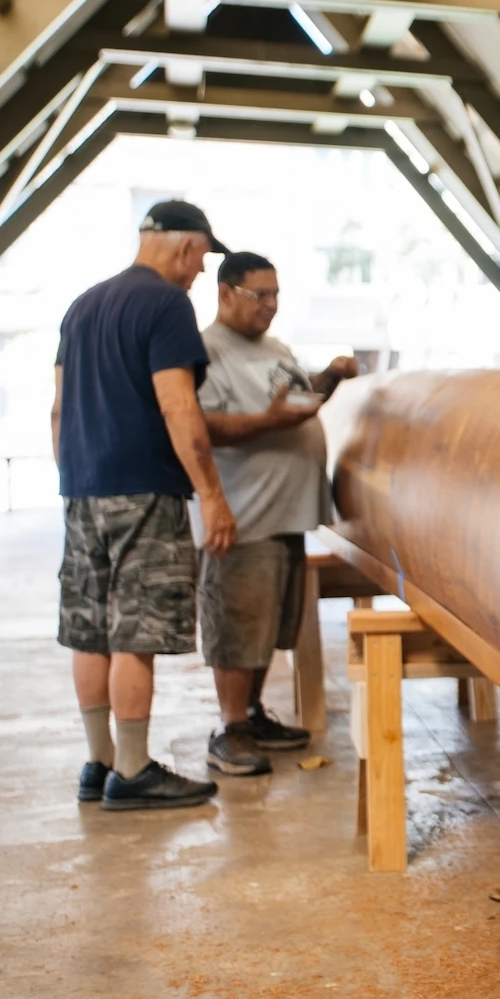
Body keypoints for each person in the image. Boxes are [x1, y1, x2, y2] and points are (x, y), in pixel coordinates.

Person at [52, 200, 237, 812]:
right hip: (144, 491)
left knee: (91, 631)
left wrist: (75, 477)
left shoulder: (83, 306)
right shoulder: (165, 304)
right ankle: (132, 772)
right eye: (204, 259)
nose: (200, 274)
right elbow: (178, 406)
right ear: (186, 247)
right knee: (135, 630)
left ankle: (98, 762)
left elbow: (57, 410)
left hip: (82, 490)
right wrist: (211, 496)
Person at [194, 251, 358, 777]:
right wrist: (268, 423)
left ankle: (253, 714)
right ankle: (229, 727)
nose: (270, 305)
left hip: (288, 514)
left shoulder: (276, 346)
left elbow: (294, 398)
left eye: (275, 295)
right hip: (244, 515)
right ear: (225, 294)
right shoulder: (205, 350)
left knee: (269, 626)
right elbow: (205, 425)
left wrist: (329, 378)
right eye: (258, 295)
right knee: (239, 625)